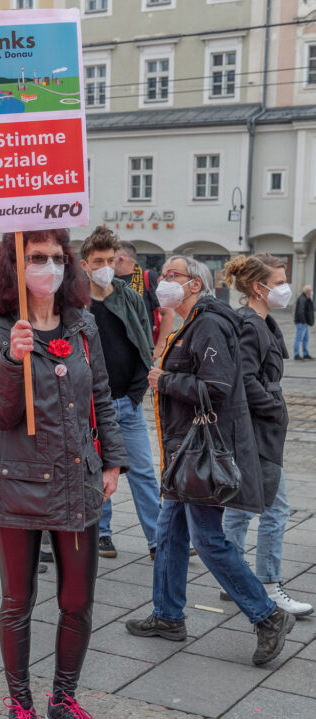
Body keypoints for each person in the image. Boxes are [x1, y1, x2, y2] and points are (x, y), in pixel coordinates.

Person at [0, 228, 128, 719]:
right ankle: (19, 705)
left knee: (78, 601)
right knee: (18, 602)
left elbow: (102, 396)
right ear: (14, 268)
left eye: (55, 257)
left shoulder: (83, 326)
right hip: (16, 486)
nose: (47, 267)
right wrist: (13, 361)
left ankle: (63, 700)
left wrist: (114, 462)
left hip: (78, 483)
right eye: (35, 257)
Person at [125, 256, 295, 667]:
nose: (163, 281)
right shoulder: (189, 323)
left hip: (202, 451)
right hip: (184, 450)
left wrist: (165, 381)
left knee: (206, 538)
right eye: (162, 275)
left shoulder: (208, 323)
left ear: (196, 285)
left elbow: (218, 386)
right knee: (169, 532)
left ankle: (267, 615)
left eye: (173, 276)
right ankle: (168, 616)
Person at [222, 255, 312, 617]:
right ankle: (269, 584)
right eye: (279, 281)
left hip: (257, 432)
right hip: (257, 433)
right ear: (258, 287)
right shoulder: (250, 323)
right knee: (275, 509)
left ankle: (233, 578)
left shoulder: (260, 320)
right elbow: (244, 380)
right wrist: (273, 409)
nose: (285, 287)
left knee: (241, 511)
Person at [79, 226, 160, 560]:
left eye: (111, 260)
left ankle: (160, 540)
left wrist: (135, 393)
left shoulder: (128, 296)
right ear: (85, 264)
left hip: (126, 402)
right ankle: (103, 534)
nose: (106, 266)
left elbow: (143, 342)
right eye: (99, 260)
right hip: (91, 406)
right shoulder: (76, 302)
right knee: (98, 471)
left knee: (143, 471)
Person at [114, 241, 174, 361]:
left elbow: (168, 313)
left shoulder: (147, 277)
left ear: (120, 259)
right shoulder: (110, 281)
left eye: (110, 258)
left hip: (142, 350)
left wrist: (158, 349)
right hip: (115, 350)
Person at [293, 285, 314, 361]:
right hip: (302, 323)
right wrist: (304, 321)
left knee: (306, 338)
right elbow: (301, 311)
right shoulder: (302, 299)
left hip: (305, 323)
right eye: (311, 291)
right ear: (308, 292)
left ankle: (305, 354)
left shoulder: (307, 298)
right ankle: (296, 354)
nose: (312, 292)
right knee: (299, 339)